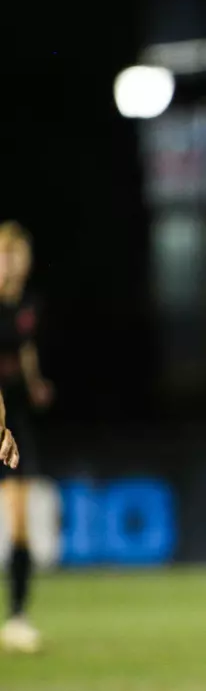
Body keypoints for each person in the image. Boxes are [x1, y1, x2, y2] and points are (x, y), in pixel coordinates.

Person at [0, 222, 53, 653]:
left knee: (20, 522)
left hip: (13, 417)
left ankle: (17, 616)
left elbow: (26, 349)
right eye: (6, 254)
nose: (13, 262)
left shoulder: (28, 305)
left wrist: (35, 382)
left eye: (18, 254)